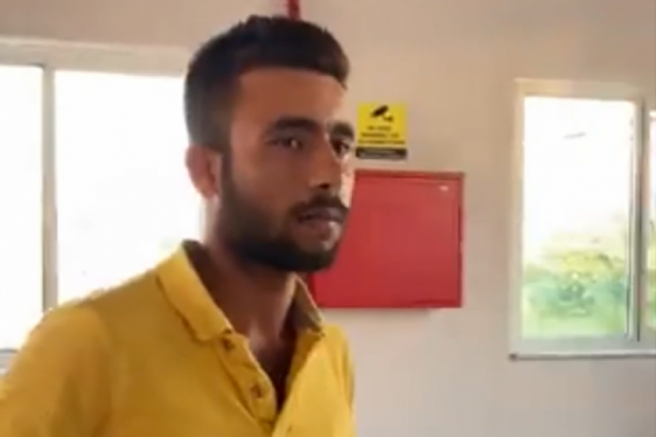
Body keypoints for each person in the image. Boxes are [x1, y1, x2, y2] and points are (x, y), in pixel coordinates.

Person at [0, 15, 357, 437]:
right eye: (291, 142)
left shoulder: (330, 355)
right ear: (206, 171)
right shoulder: (87, 343)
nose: (330, 174)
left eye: (341, 145)